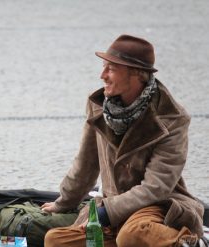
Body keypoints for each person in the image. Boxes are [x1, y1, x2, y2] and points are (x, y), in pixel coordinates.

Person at [41, 35, 204, 247]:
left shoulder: (172, 118)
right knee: (55, 240)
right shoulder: (98, 107)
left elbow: (157, 187)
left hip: (157, 206)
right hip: (114, 211)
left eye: (111, 69)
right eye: (103, 67)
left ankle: (189, 242)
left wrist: (107, 212)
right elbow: (86, 165)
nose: (102, 75)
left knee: (131, 235)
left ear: (137, 74)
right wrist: (63, 203)